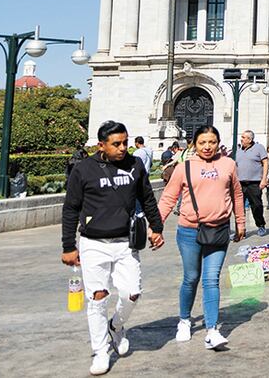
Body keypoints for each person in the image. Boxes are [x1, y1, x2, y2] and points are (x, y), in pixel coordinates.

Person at [61, 120, 164, 376]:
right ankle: (100, 350)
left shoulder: (135, 165)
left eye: (125, 143)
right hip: (93, 243)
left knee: (132, 293)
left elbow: (147, 197)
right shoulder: (83, 169)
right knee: (97, 297)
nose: (122, 148)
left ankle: (117, 326)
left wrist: (157, 228)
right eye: (116, 144)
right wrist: (68, 246)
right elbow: (71, 208)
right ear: (101, 145)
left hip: (125, 242)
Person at [158, 125, 244, 350]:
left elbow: (237, 194)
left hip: (218, 230)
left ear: (218, 143)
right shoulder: (183, 167)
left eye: (212, 142)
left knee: (211, 279)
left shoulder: (228, 164)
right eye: (202, 142)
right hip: (189, 231)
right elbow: (168, 197)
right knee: (191, 277)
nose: (207, 147)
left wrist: (241, 222)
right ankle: (184, 320)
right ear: (194, 145)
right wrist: (155, 226)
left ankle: (212, 330)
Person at [235, 131, 269, 237]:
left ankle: (260, 225)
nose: (241, 139)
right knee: (239, 208)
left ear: (250, 139)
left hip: (254, 182)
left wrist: (264, 179)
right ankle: (240, 230)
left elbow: (265, 163)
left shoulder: (259, 148)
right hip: (240, 183)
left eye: (243, 137)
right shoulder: (238, 150)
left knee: (256, 205)